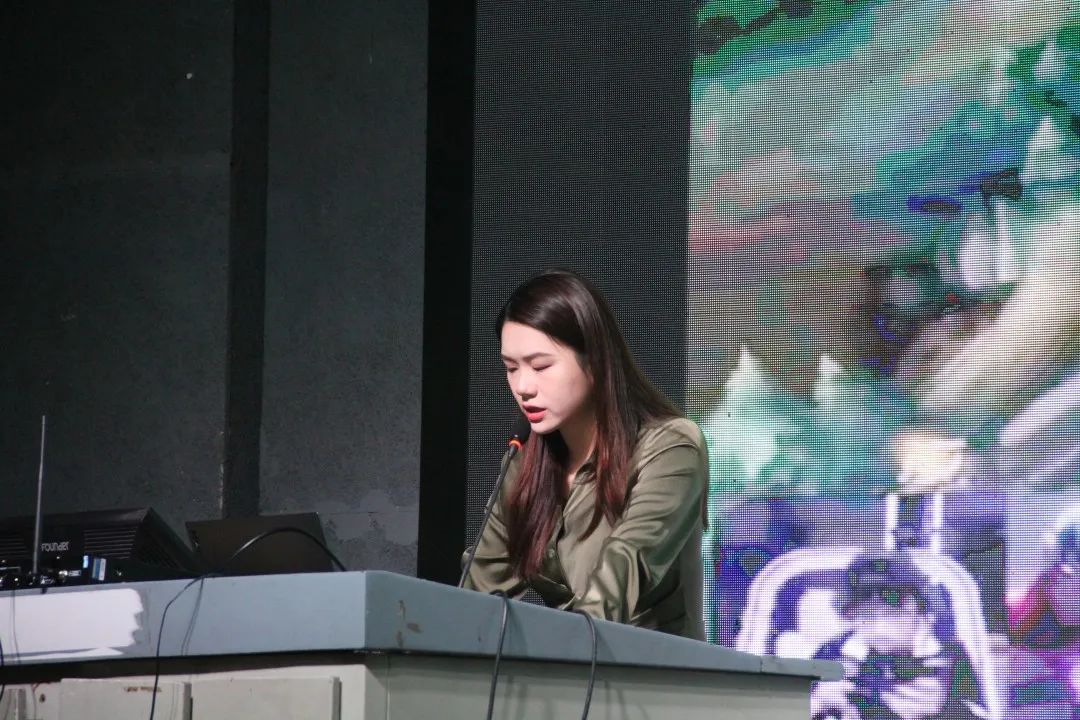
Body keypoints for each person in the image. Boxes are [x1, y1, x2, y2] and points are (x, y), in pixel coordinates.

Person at [462, 269, 709, 639]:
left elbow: (622, 570)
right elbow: (479, 592)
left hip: (654, 670)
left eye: (541, 366)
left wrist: (553, 651)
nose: (523, 386)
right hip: (566, 668)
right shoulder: (523, 462)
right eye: (511, 368)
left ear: (594, 360)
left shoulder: (671, 447)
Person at [811, 552, 988, 720]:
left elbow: (979, 710)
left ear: (915, 608)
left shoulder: (954, 658)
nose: (874, 627)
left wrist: (944, 709)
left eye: (891, 613)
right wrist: (818, 701)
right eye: (861, 615)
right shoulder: (832, 651)